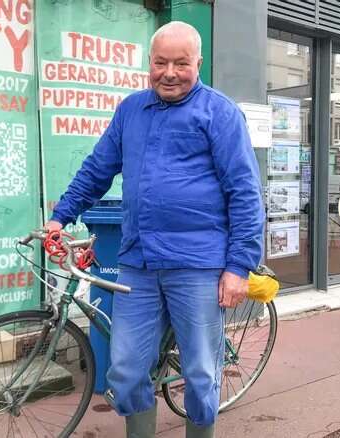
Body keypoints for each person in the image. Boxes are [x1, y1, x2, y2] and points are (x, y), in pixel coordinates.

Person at [46, 21, 264, 438]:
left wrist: (239, 266)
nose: (170, 72)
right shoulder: (131, 110)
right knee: (124, 372)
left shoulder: (219, 112)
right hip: (139, 264)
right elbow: (97, 169)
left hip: (198, 265)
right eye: (161, 62)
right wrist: (62, 214)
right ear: (149, 63)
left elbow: (245, 192)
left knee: (200, 373)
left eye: (181, 63)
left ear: (198, 63)